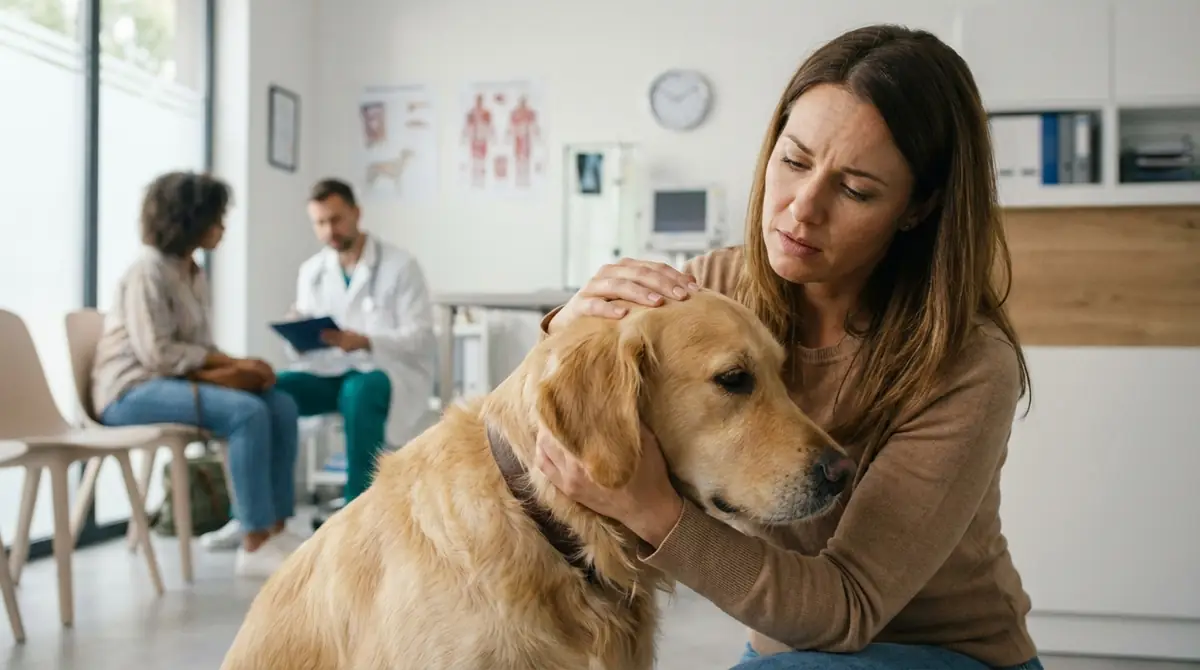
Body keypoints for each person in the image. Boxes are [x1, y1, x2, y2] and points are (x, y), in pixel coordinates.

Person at [533, 25, 1044, 670]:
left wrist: (655, 512)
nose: (801, 209)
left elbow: (849, 607)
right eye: (795, 161)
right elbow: (564, 415)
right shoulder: (715, 290)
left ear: (917, 208)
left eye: (855, 189)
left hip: (943, 651)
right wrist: (568, 329)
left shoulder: (968, 363)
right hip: (785, 648)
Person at [202, 178, 437, 548]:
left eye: (337, 219)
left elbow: (421, 336)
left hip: (383, 371)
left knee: (361, 392)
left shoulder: (400, 266)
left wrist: (364, 340)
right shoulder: (312, 270)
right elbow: (304, 352)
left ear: (357, 213)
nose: (330, 230)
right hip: (327, 371)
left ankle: (361, 520)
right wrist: (298, 331)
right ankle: (254, 515)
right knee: (265, 391)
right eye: (320, 223)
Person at [92, 170, 303, 579]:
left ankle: (277, 528)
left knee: (280, 404)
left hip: (172, 381)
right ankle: (254, 541)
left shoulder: (194, 272)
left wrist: (241, 366)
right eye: (215, 217)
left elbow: (201, 350)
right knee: (247, 413)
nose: (222, 227)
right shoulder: (147, 272)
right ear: (189, 220)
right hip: (129, 392)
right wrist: (233, 367)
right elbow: (158, 355)